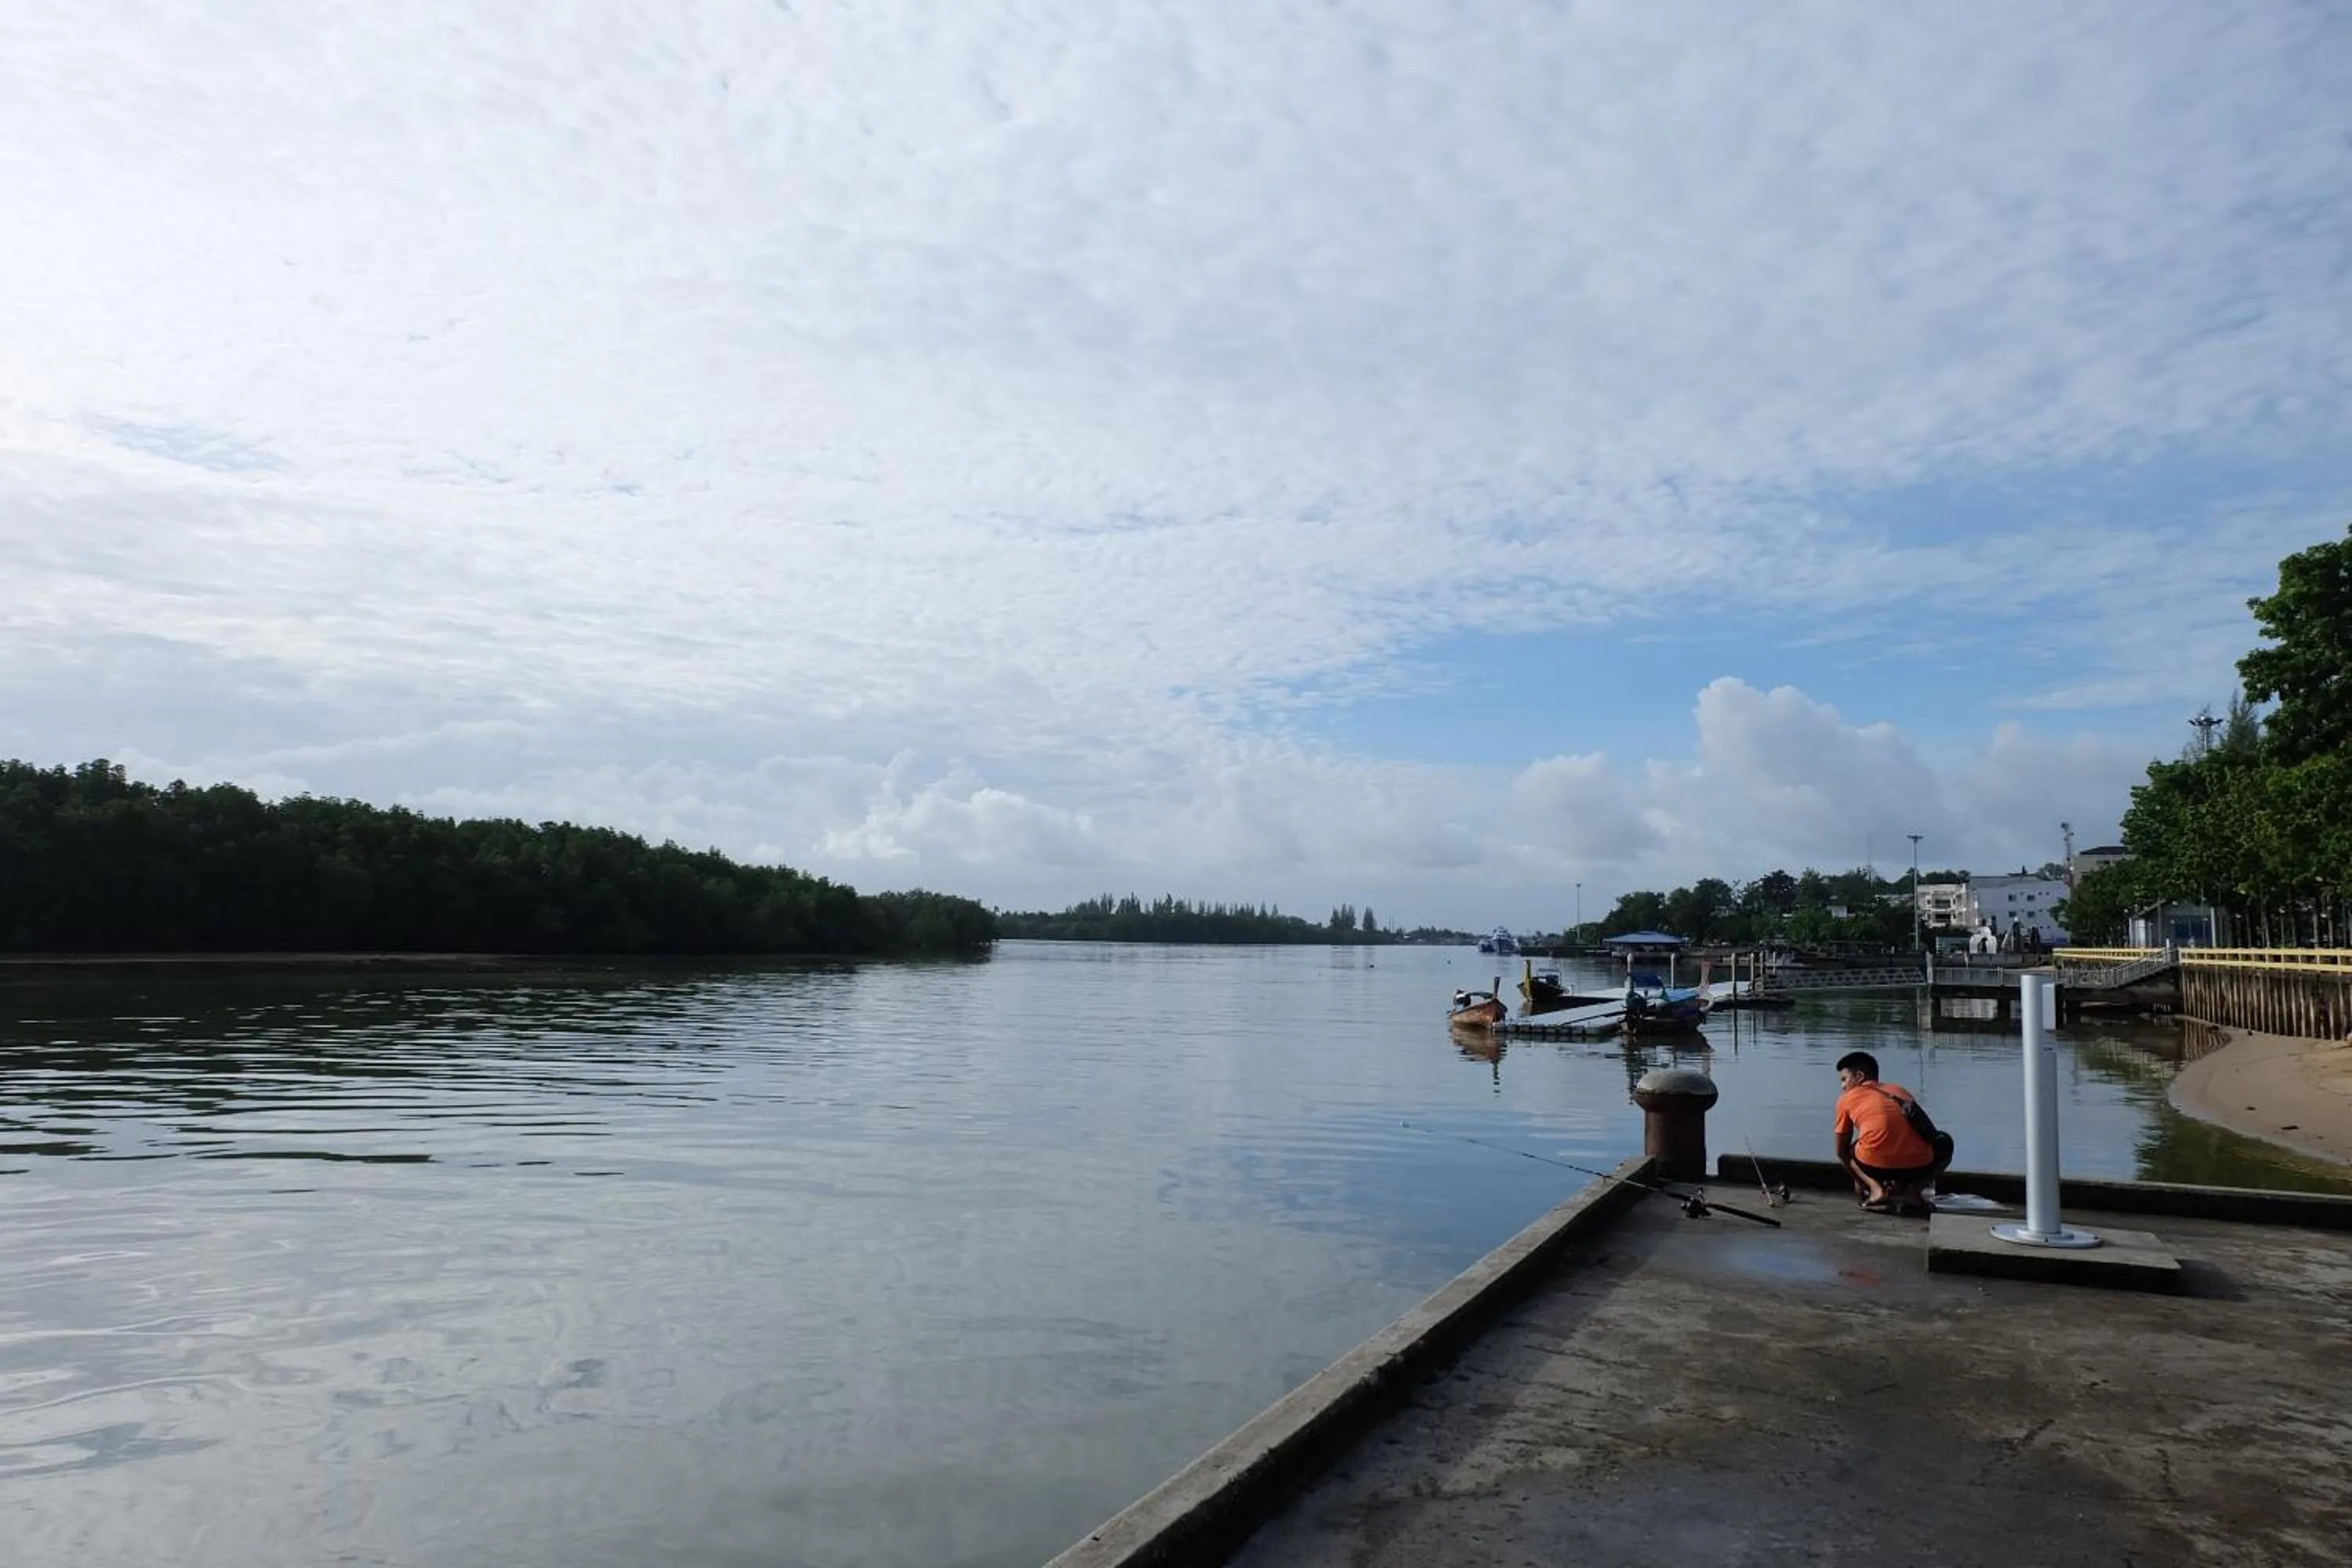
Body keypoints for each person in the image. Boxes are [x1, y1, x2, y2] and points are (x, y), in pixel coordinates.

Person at [1832, 1051, 1952, 1216]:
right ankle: (1913, 1193)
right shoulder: (1899, 1091)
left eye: (1844, 1079)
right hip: (1919, 1166)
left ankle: (1877, 1192)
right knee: (1945, 1143)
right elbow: (1927, 1133)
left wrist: (1862, 1184)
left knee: (1850, 1150)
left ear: (1859, 1076)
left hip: (1875, 1166)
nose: (1843, 1086)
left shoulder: (1847, 1099)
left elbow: (1841, 1152)